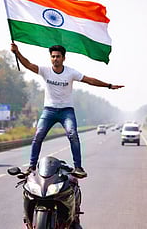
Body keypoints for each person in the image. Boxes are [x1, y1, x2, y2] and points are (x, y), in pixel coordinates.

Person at [11, 43, 124, 177]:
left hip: (66, 111)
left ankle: (78, 168)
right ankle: (31, 167)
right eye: (53, 57)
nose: (55, 59)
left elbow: (89, 80)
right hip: (49, 110)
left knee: (73, 134)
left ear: (64, 58)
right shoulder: (45, 71)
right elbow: (29, 65)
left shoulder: (71, 73)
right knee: (38, 134)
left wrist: (109, 86)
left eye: (58, 56)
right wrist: (17, 53)